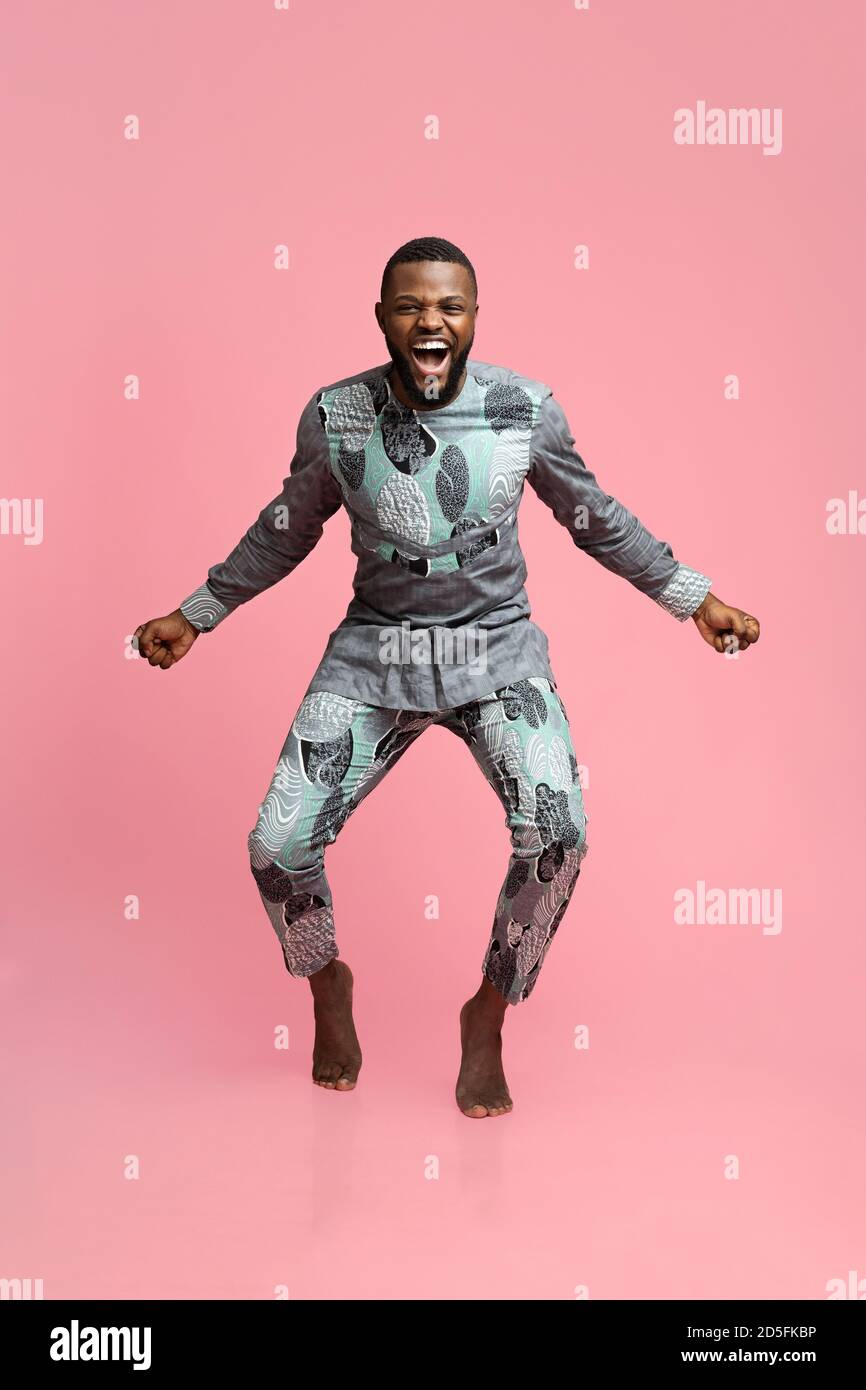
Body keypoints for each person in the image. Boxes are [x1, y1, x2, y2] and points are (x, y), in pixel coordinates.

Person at [134, 236, 761, 1118]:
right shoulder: (335, 415)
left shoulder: (524, 411)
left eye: (451, 306)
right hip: (376, 652)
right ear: (384, 317)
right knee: (276, 847)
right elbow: (285, 528)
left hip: (493, 652)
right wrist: (194, 613)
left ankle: (489, 1014)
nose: (432, 320)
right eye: (411, 305)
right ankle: (326, 985)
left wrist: (695, 598)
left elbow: (596, 518)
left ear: (473, 317)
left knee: (560, 833)